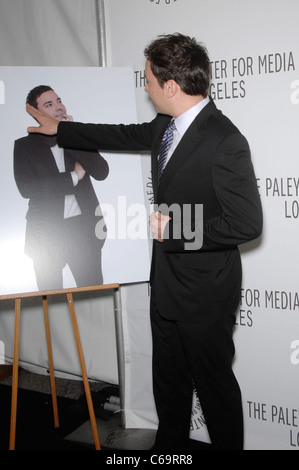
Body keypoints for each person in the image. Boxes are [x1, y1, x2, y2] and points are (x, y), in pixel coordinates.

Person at [26, 34, 263, 450]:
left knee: (215, 392)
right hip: (166, 285)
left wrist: (177, 228)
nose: (146, 87)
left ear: (171, 86)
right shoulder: (165, 126)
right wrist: (61, 128)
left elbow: (246, 223)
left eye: (150, 80)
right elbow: (120, 134)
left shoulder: (225, 140)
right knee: (169, 388)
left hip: (205, 295)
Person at [14, 85, 109, 291]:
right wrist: (74, 176)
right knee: (50, 299)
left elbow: (101, 172)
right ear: (36, 113)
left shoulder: (78, 136)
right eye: (49, 104)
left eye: (59, 101)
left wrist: (73, 136)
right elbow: (27, 188)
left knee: (93, 295)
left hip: (84, 231)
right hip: (46, 234)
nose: (59, 107)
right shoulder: (23, 146)